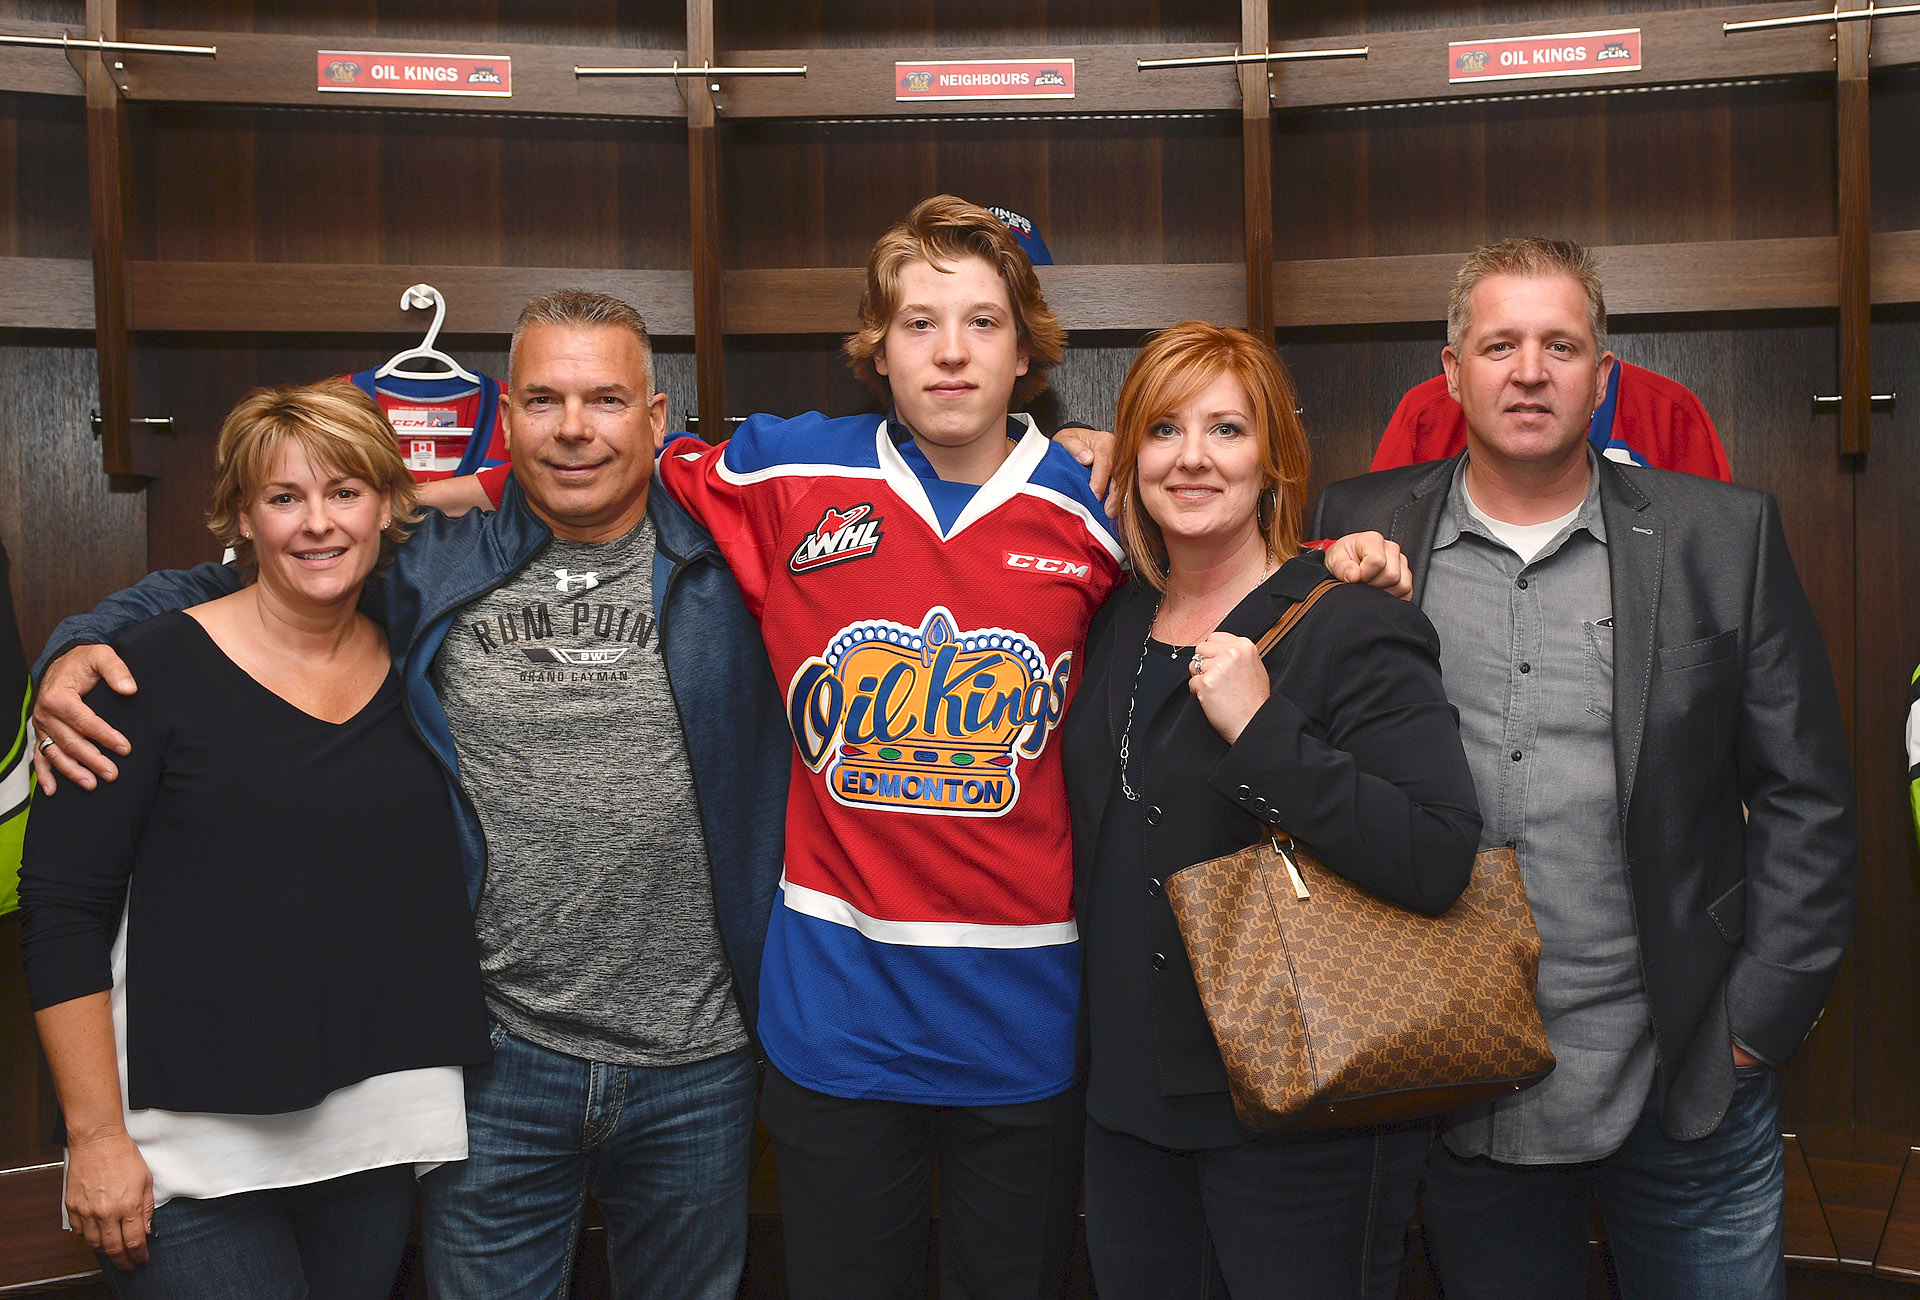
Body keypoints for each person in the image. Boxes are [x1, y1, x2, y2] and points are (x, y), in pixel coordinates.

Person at [28, 292, 790, 1300]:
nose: (573, 427)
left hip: (705, 1055)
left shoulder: (739, 560)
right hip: (497, 1055)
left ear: (655, 419)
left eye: (606, 399)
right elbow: (232, 580)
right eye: (543, 399)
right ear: (504, 421)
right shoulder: (427, 562)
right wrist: (75, 645)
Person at [1313, 237, 1856, 1300]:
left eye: (1562, 345)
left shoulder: (1722, 537)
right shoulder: (1361, 531)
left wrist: (1753, 1028)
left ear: (1604, 376)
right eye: (1501, 343)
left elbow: (1810, 800)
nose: (1530, 371)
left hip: (1690, 1078)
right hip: (1463, 1086)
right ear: (1451, 370)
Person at [18, 382, 492, 1296]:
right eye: (284, 498)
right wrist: (95, 1138)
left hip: (374, 1125)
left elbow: (519, 495)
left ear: (389, 506)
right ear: (242, 515)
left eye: (345, 492)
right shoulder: (135, 669)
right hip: (183, 1145)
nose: (318, 524)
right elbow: (63, 910)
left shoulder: (421, 655)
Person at [1059, 322, 1482, 1300]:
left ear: (1274, 460)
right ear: (1131, 460)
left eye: (1227, 430)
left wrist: (1262, 731)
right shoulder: (1111, 617)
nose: (1193, 457)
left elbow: (1437, 854)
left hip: (1302, 1113)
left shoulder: (1349, 617)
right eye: (1164, 430)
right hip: (1129, 1108)